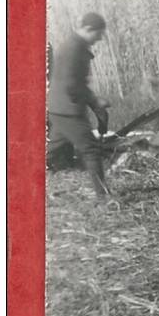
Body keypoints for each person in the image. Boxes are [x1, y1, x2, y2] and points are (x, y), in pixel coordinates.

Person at [47, 12, 113, 198]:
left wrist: (93, 103)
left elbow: (76, 83)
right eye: (98, 33)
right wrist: (95, 101)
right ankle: (103, 196)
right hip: (68, 109)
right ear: (88, 29)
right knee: (91, 149)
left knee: (50, 150)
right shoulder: (74, 49)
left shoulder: (76, 46)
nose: (100, 37)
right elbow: (72, 84)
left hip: (60, 108)